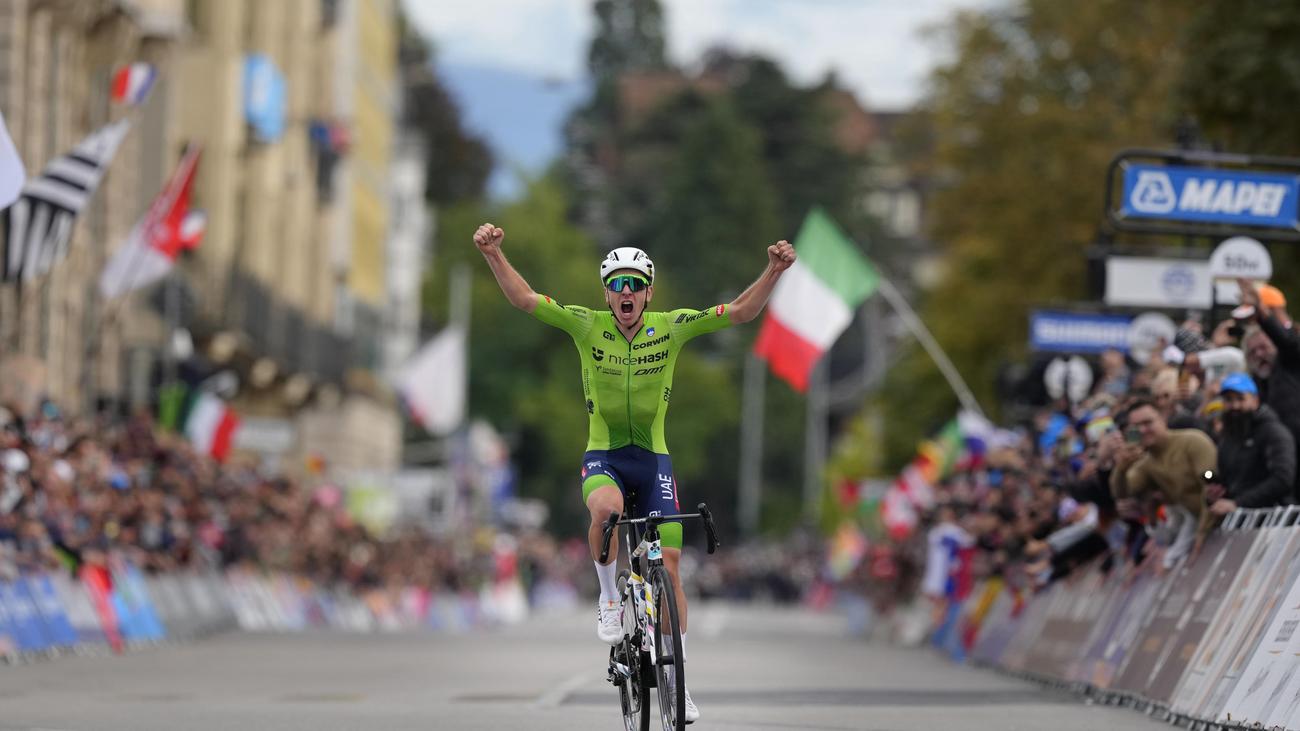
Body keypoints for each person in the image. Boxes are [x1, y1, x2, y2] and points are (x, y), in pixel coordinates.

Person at [473, 222, 796, 723]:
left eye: (635, 284)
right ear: (606, 293)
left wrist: (773, 272)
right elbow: (525, 300)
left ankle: (677, 679)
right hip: (604, 453)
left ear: (649, 292)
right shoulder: (585, 324)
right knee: (607, 509)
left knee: (669, 565)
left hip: (653, 459)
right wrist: (494, 254)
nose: (626, 292)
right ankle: (607, 598)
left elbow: (738, 312)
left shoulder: (671, 325)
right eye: (617, 284)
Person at [1110, 399, 1217, 569]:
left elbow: (1211, 486)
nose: (1143, 430)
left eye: (1148, 422)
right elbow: (1122, 492)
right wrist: (1121, 469)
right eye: (1137, 427)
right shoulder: (1146, 464)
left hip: (1224, 523)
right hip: (1196, 528)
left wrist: (1202, 534)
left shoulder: (1193, 442)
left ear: (1162, 419)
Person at [1205, 372, 1295, 516]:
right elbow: (1231, 482)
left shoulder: (1273, 432)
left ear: (1255, 400)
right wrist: (1216, 495)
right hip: (1241, 523)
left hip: (1275, 519)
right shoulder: (1227, 438)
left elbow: (1282, 479)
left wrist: (1238, 503)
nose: (1235, 405)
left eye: (1241, 399)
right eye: (1228, 399)